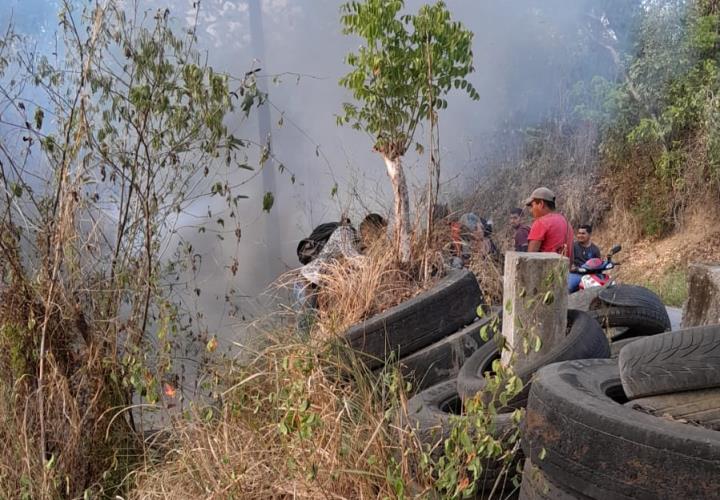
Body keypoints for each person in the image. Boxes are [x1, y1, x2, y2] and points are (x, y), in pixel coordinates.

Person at [525, 187, 574, 261]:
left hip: (545, 272)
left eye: (532, 205)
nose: (531, 210)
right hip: (564, 272)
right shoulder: (567, 223)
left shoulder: (540, 223)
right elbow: (571, 257)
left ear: (541, 204)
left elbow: (530, 258)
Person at [568, 224, 602, 292]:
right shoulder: (573, 246)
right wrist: (571, 267)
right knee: (569, 287)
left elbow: (598, 265)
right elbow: (568, 260)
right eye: (579, 233)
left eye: (583, 233)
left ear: (589, 235)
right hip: (576, 273)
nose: (580, 236)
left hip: (590, 275)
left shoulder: (595, 249)